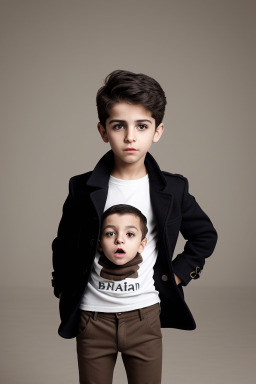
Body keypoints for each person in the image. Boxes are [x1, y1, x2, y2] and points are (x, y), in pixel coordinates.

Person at [51, 69, 218, 384]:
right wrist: (61, 284)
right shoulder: (81, 188)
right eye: (118, 126)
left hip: (145, 318)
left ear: (157, 131)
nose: (130, 137)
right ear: (103, 131)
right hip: (92, 318)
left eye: (141, 126)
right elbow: (64, 241)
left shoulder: (173, 188)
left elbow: (204, 235)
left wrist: (181, 272)